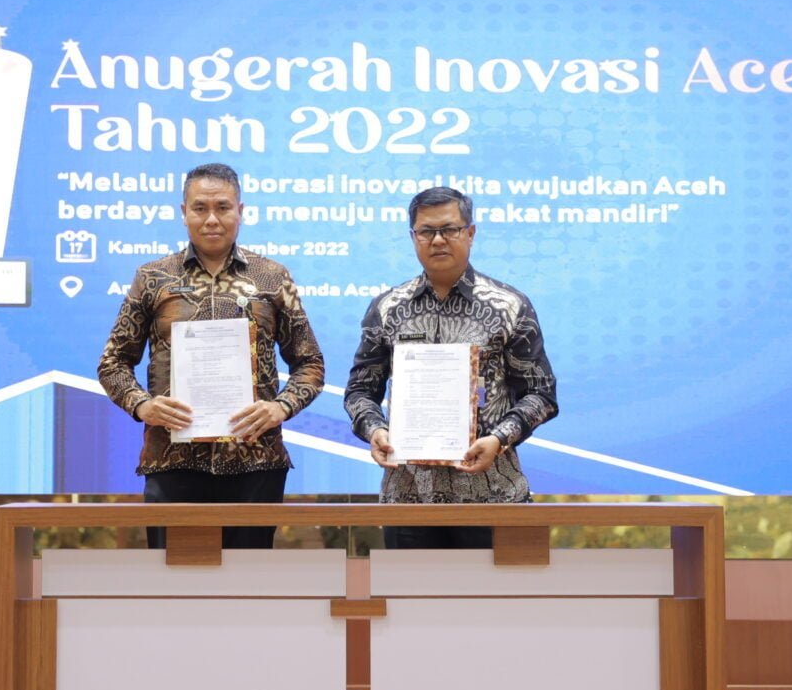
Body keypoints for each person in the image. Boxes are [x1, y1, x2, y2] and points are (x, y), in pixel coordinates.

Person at [98, 162, 325, 548]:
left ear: (241, 211)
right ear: (183, 212)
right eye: (200, 208)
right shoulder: (153, 278)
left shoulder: (272, 277)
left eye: (223, 207)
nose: (212, 219)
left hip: (256, 463)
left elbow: (310, 363)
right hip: (173, 460)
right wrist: (142, 405)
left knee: (249, 579)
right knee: (175, 580)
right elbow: (113, 363)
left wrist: (280, 408)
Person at [344, 186, 557, 550]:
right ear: (413, 237)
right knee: (410, 591)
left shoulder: (509, 306)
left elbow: (541, 394)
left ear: (470, 233)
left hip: (494, 494)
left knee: (499, 590)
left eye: (450, 229)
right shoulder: (387, 308)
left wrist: (499, 438)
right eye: (426, 231)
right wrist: (374, 430)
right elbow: (360, 391)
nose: (438, 240)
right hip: (408, 497)